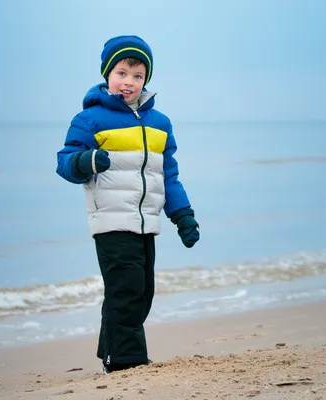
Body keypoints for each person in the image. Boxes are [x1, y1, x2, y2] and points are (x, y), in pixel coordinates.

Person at [55, 35, 200, 373]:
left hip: (146, 222)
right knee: (127, 291)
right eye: (122, 73)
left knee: (142, 291)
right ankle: (125, 362)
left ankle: (110, 353)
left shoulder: (159, 124)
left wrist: (183, 215)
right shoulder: (90, 120)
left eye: (137, 76)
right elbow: (64, 162)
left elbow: (169, 177)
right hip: (110, 220)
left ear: (145, 80)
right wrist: (87, 160)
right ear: (108, 74)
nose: (129, 82)